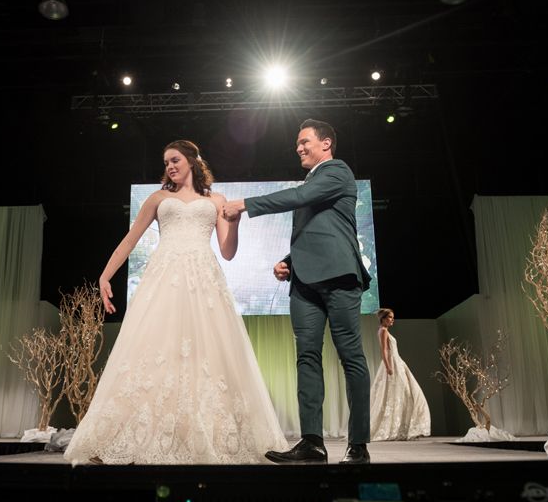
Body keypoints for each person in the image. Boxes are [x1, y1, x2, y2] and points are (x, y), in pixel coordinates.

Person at [64, 140, 289, 465]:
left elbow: (227, 252)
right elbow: (131, 239)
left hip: (203, 281)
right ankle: (127, 438)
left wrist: (235, 224)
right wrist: (104, 276)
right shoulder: (158, 198)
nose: (169, 166)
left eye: (175, 160)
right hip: (164, 278)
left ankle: (203, 435)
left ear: (193, 161)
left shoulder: (216, 200)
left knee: (205, 354)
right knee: (154, 350)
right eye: (166, 161)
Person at [222, 119, 371, 464]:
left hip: (340, 277)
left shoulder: (337, 172)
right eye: (297, 144)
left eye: (304, 142)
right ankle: (312, 443)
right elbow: (318, 228)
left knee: (351, 358)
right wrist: (287, 261)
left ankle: (358, 445)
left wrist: (246, 204)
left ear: (327, 143)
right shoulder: (314, 180)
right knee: (306, 358)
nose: (299, 148)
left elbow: (301, 197)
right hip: (303, 283)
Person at [370, 308, 431, 441]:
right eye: (390, 317)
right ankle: (397, 429)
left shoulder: (385, 331)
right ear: (383, 318)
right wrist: (388, 367)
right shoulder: (383, 331)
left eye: (392, 317)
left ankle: (403, 428)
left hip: (398, 363)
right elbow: (384, 350)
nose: (392, 319)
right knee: (398, 394)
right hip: (392, 364)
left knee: (405, 394)